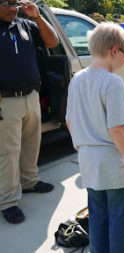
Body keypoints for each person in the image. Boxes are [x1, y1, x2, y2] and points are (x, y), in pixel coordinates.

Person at [65, 23, 124, 253]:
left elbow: (70, 121)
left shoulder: (77, 79)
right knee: (120, 221)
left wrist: (84, 148)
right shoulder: (112, 83)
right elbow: (117, 131)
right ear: (114, 50)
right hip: (115, 164)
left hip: (89, 162)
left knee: (97, 219)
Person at [0, 0, 59, 224]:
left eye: (14, 2)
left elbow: (52, 42)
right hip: (6, 101)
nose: (12, 7)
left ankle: (29, 181)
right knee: (8, 152)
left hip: (31, 96)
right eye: (6, 3)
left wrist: (36, 16)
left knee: (32, 143)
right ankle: (7, 201)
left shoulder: (26, 25)